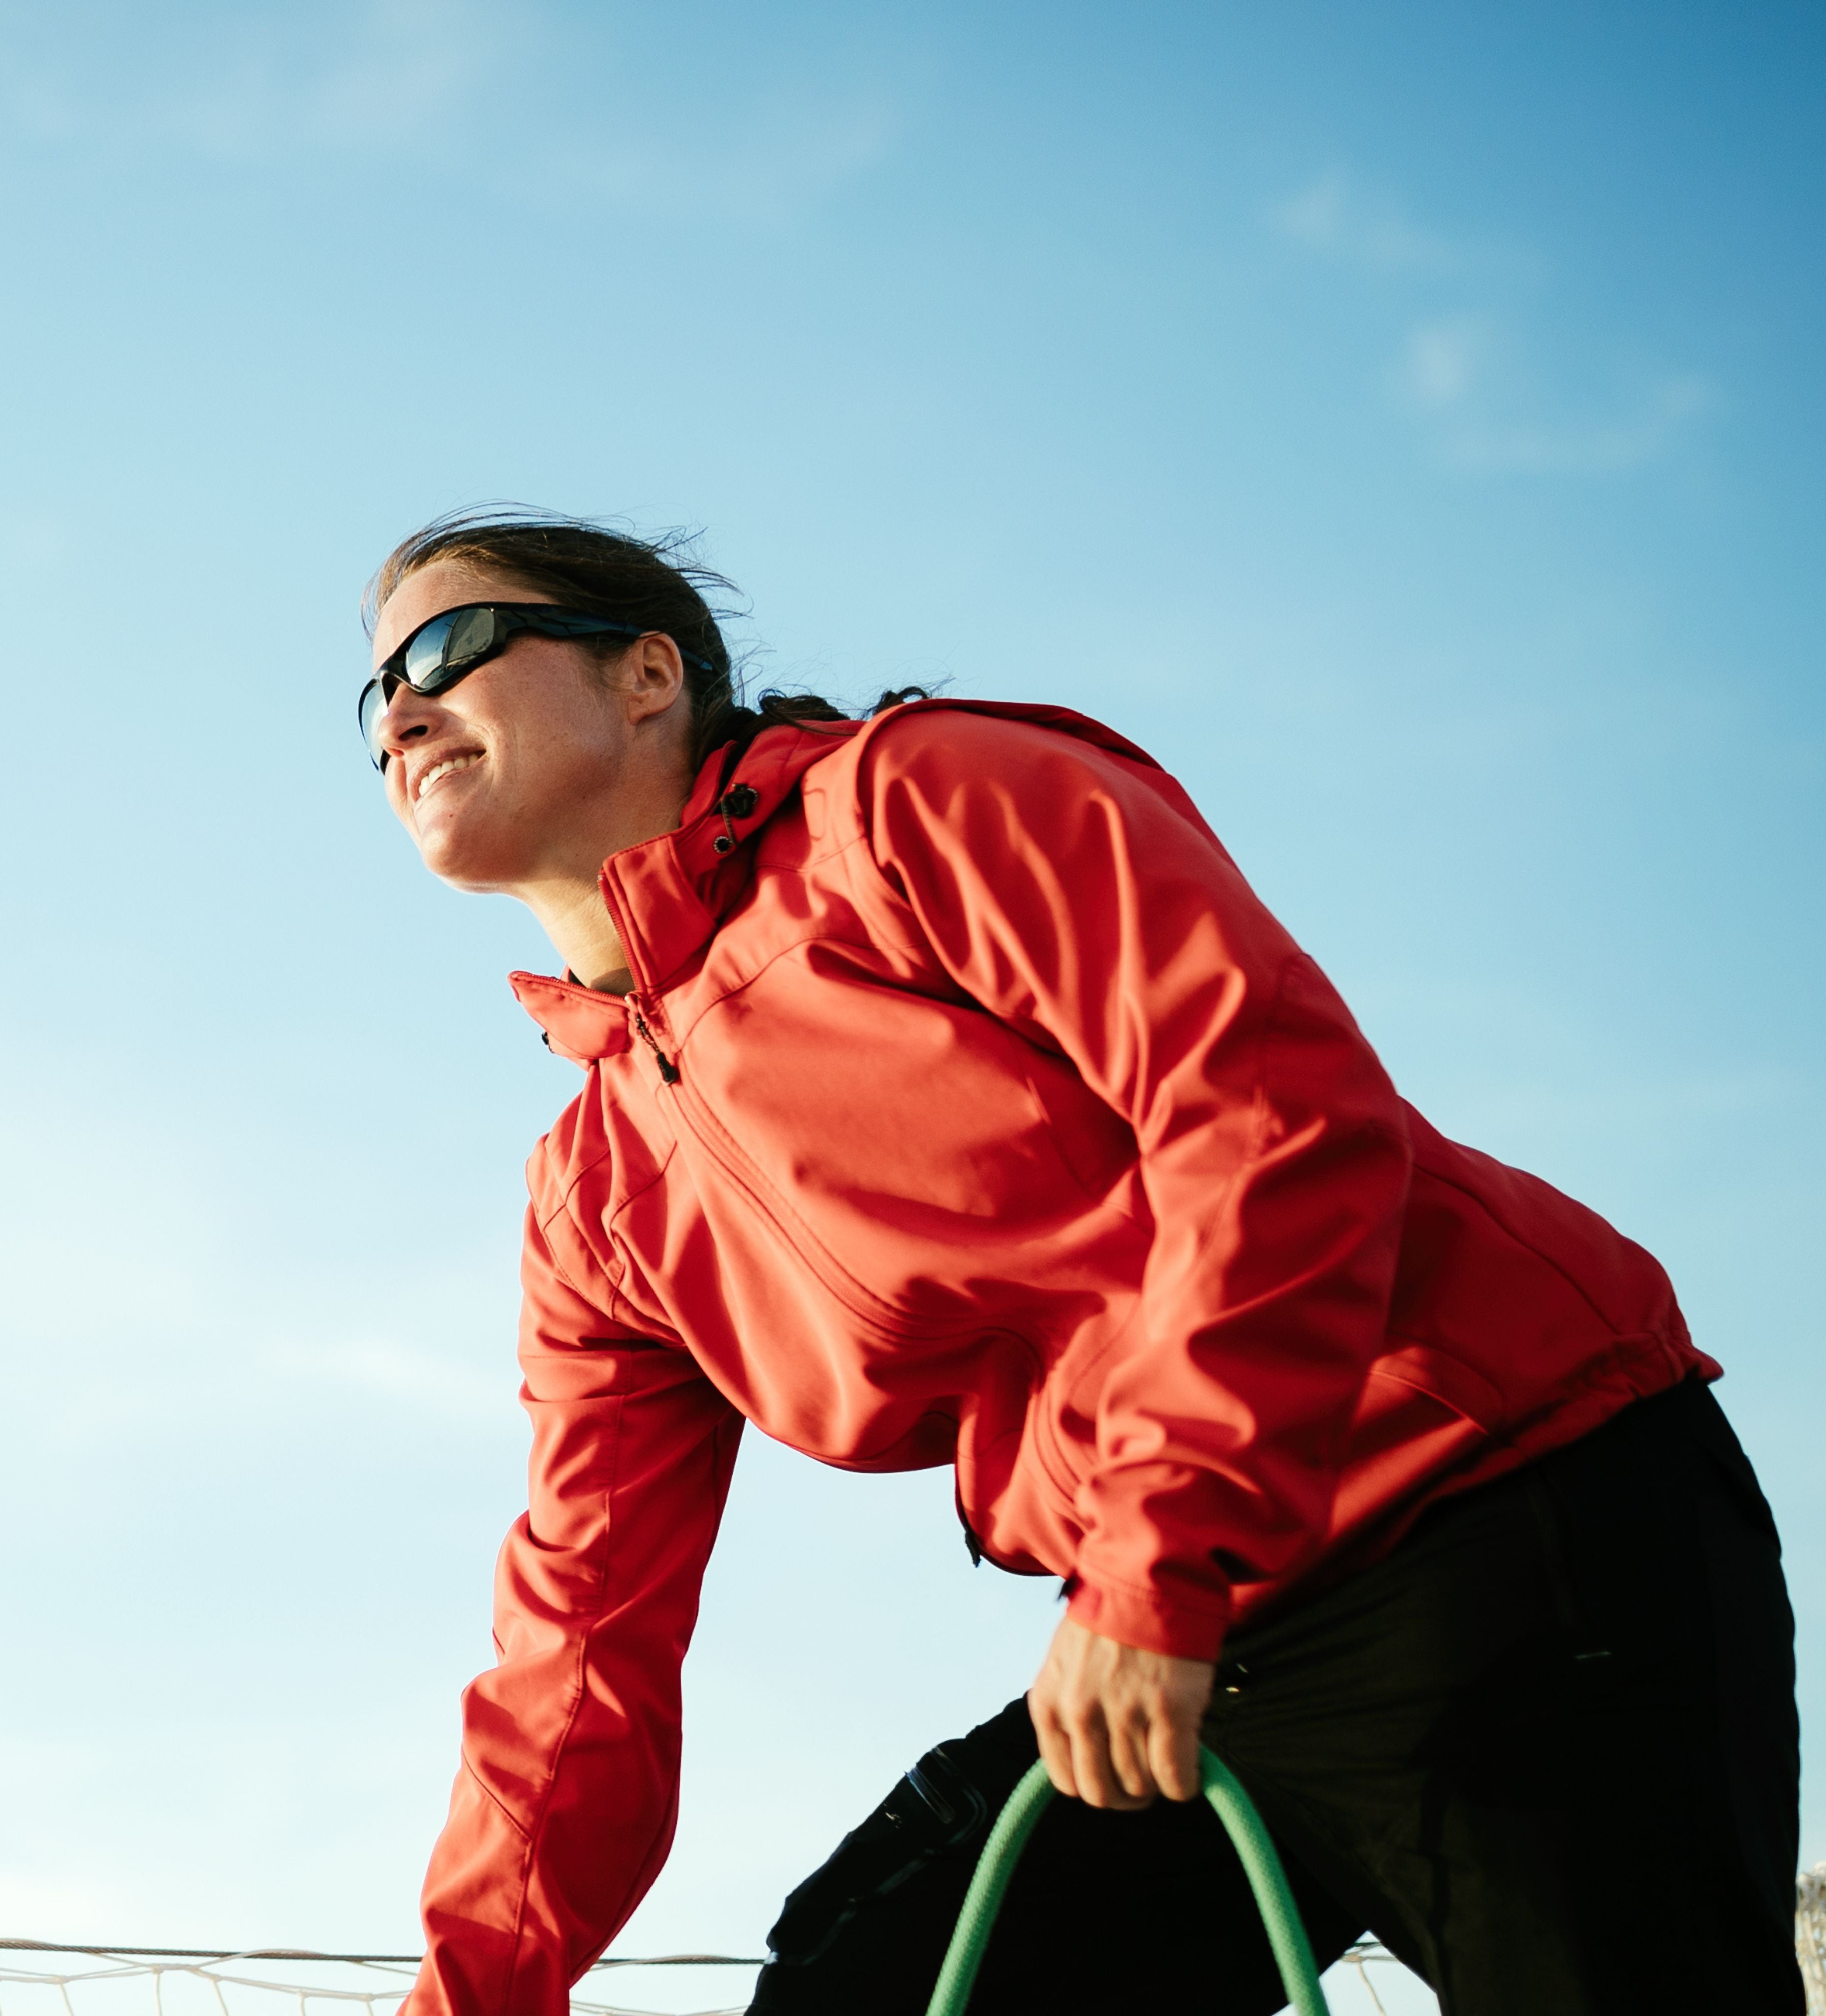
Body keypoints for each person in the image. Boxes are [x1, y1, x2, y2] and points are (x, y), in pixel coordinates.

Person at [358, 509, 1801, 2016]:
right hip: (1193, 1638)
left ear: (648, 672)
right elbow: (586, 1635)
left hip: (1497, 1509)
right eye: (372, 701)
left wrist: (1161, 1555)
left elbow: (1274, 1112)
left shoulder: (916, 808)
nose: (402, 710)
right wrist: (473, 1992)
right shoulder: (595, 1203)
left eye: (449, 649)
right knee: (862, 1986)